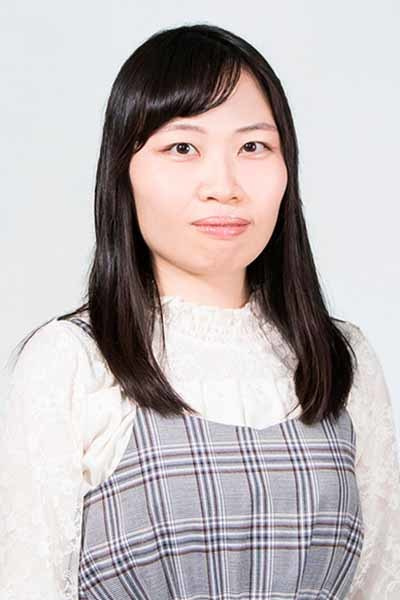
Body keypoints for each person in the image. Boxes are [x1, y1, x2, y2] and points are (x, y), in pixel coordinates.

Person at [1, 22, 399, 600]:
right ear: (123, 171)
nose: (224, 185)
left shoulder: (341, 359)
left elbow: (382, 583)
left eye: (253, 147)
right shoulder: (75, 362)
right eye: (182, 148)